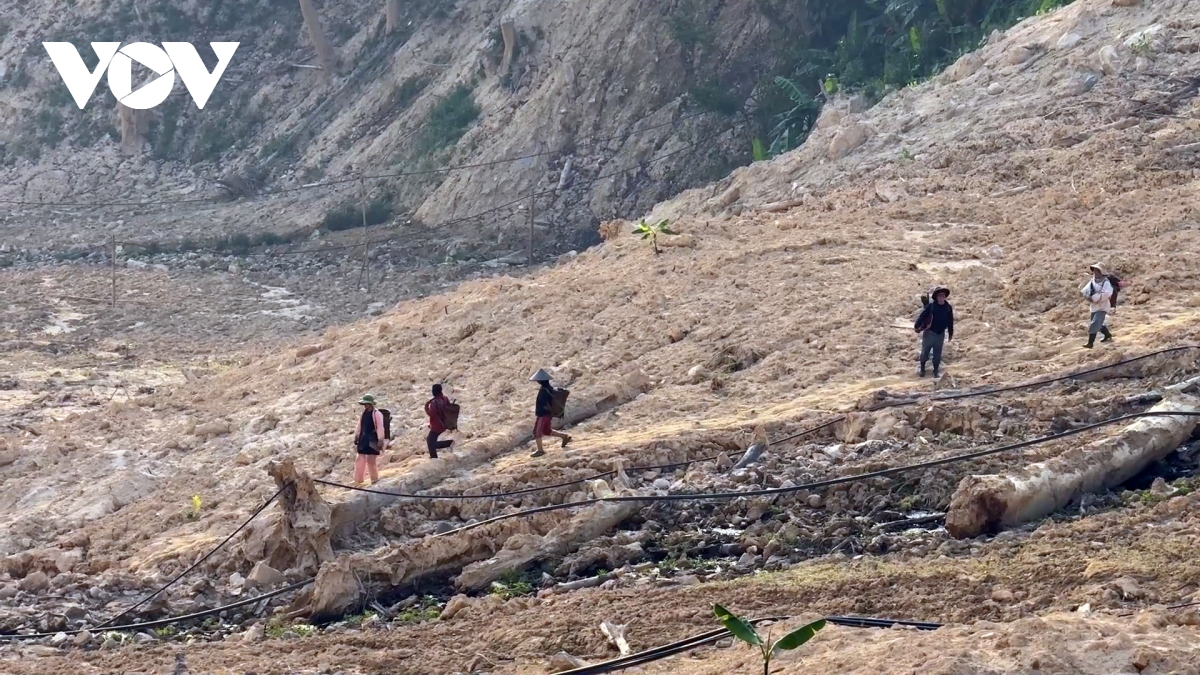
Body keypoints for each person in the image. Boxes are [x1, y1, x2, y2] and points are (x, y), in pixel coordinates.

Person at [914, 285, 954, 378]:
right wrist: (917, 325)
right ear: (936, 297)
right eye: (939, 295)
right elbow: (923, 316)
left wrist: (951, 332)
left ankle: (935, 371)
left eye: (943, 295)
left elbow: (950, 320)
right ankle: (922, 369)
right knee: (925, 352)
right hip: (929, 333)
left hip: (940, 334)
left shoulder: (948, 308)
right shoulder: (931, 306)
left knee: (937, 355)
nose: (941, 297)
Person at [530, 369, 571, 458]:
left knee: (537, 431)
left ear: (541, 381)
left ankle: (540, 450)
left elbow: (544, 403)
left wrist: (541, 412)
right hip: (547, 414)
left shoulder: (544, 390)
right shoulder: (548, 388)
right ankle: (564, 437)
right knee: (546, 430)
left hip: (543, 414)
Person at [353, 394, 386, 485]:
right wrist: (356, 435)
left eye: (366, 403)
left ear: (370, 404)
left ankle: (374, 479)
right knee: (360, 459)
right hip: (363, 439)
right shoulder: (363, 414)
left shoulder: (377, 414)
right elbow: (359, 425)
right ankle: (358, 480)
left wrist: (380, 439)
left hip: (372, 439)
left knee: (371, 460)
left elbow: (380, 427)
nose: (365, 405)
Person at [1081, 263, 1114, 348]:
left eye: (1097, 271)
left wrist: (1096, 297)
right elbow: (1087, 290)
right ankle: (1107, 335)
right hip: (1094, 306)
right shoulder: (1093, 280)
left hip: (1102, 306)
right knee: (1098, 324)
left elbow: (1107, 293)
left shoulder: (1106, 282)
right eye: (1094, 270)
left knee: (1095, 323)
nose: (1095, 272)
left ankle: (1090, 343)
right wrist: (1088, 296)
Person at [424, 384, 455, 459]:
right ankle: (434, 457)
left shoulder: (434, 402)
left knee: (430, 442)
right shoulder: (445, 398)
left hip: (436, 426)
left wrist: (426, 408)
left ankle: (449, 444)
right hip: (444, 423)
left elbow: (432, 414)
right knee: (431, 442)